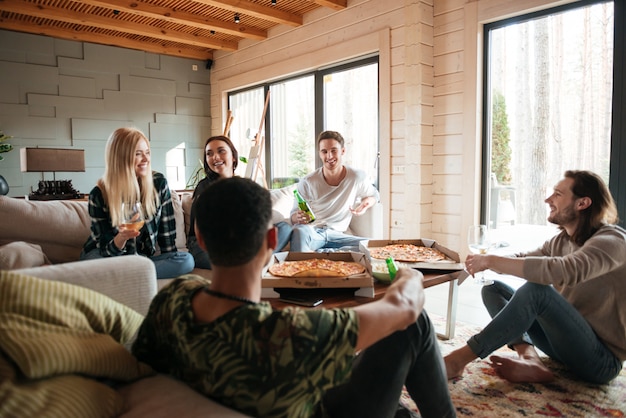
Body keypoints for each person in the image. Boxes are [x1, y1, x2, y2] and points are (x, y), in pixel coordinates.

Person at [132, 177, 456, 418]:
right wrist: (408, 274)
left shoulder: (172, 299)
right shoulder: (288, 333)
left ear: (200, 238)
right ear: (272, 239)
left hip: (276, 391)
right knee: (414, 326)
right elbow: (404, 308)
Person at [445, 170, 625, 385]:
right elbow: (525, 259)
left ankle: (458, 360)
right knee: (493, 289)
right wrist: (487, 260)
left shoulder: (612, 241)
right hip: (562, 346)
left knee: (537, 291)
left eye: (558, 194)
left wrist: (491, 261)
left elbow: (564, 270)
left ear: (583, 203)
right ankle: (530, 360)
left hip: (600, 362)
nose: (548, 199)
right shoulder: (561, 241)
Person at [81, 127, 194, 279]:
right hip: (108, 258)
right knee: (91, 263)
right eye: (138, 154)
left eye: (147, 152)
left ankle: (123, 276)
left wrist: (170, 261)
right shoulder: (100, 194)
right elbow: (104, 249)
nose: (146, 159)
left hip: (141, 260)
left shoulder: (158, 184)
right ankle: (134, 275)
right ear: (120, 157)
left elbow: (166, 237)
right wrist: (121, 238)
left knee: (186, 261)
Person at [187, 135, 292, 269]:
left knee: (284, 228)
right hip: (205, 245)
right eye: (209, 154)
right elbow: (202, 230)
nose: (215, 157)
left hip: (238, 240)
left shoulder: (241, 186)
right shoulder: (205, 187)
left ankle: (251, 260)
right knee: (233, 258)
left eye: (221, 151)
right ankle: (253, 261)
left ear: (233, 157)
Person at [290, 130, 379, 252]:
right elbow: (293, 216)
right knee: (299, 232)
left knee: (373, 247)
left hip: (338, 235)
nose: (329, 156)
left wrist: (367, 202)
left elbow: (375, 194)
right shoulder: (308, 182)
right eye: (324, 152)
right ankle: (304, 264)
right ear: (319, 154)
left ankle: (327, 253)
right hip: (314, 233)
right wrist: (298, 217)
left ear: (343, 151)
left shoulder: (356, 177)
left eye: (333, 151)